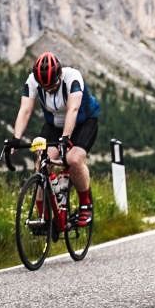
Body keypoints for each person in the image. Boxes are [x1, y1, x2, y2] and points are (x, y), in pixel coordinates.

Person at [10, 51, 101, 226]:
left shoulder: (73, 77)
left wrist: (65, 138)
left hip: (83, 122)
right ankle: (45, 216)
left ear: (59, 74)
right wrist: (16, 138)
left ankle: (85, 205)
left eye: (53, 85)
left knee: (73, 159)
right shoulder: (32, 82)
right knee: (42, 160)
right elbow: (25, 110)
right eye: (46, 88)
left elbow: (72, 110)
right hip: (54, 125)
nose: (50, 89)